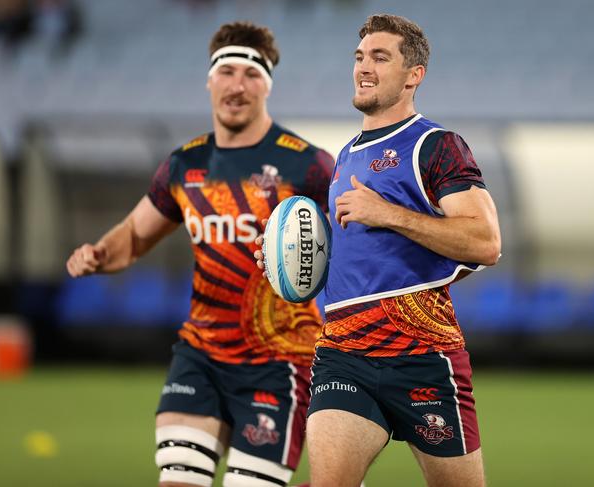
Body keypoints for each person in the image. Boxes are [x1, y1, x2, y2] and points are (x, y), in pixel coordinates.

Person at [66, 22, 334, 487]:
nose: (237, 85)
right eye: (226, 71)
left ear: (267, 85)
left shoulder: (307, 164)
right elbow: (134, 234)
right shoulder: (183, 164)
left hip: (279, 360)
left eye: (251, 75)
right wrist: (98, 253)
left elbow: (357, 243)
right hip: (200, 354)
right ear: (209, 80)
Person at [256, 13, 501, 487]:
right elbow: (361, 263)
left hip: (423, 355)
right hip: (344, 352)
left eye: (380, 57)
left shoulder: (435, 146)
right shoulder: (348, 154)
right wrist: (292, 261)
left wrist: (389, 213)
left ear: (414, 75)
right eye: (360, 56)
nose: (363, 67)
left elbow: (485, 243)